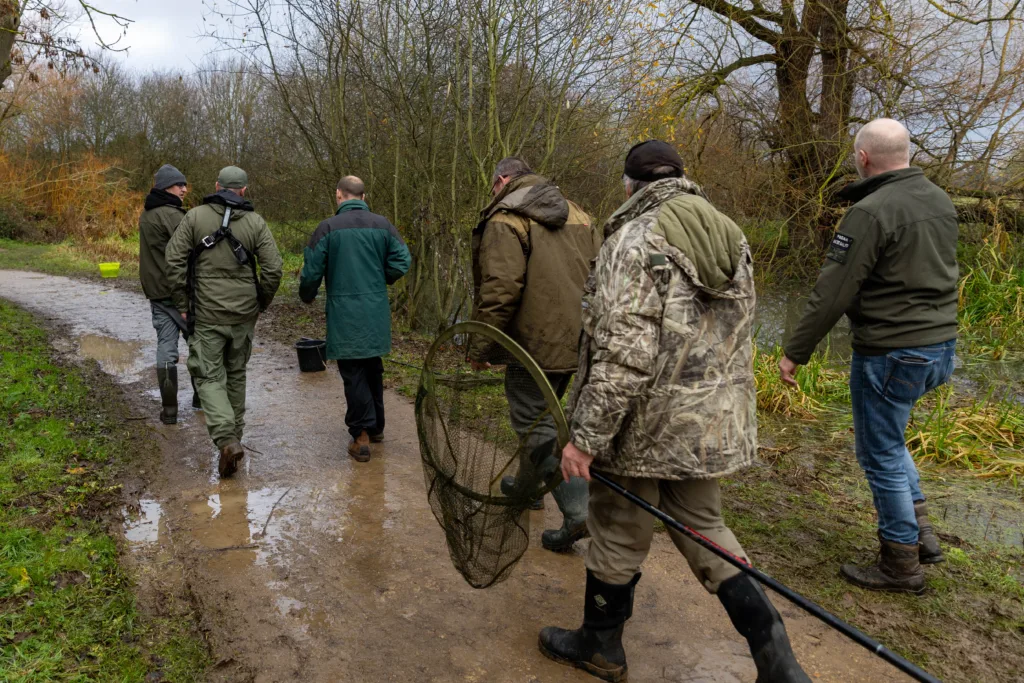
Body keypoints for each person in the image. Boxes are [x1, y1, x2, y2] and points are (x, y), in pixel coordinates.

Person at [541, 141, 810, 683]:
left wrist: (586, 437)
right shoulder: (729, 233)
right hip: (708, 423)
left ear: (628, 185)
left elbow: (624, 353)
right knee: (706, 526)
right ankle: (779, 662)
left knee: (618, 528)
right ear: (682, 178)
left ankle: (600, 647)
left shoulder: (633, 240)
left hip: (642, 424)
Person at [780, 119, 958, 594]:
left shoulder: (871, 211)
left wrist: (796, 351)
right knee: (892, 440)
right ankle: (923, 536)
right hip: (939, 347)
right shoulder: (939, 199)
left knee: (879, 453)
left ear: (862, 157)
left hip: (891, 350)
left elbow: (832, 291)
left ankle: (901, 564)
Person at [469, 157, 599, 552]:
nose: (493, 193)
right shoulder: (580, 213)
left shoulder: (507, 218)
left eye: (494, 185)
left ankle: (578, 513)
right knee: (543, 416)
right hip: (577, 339)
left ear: (503, 180)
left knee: (533, 422)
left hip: (533, 343)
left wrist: (481, 345)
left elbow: (500, 288)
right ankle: (527, 488)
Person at [165, 166, 283, 478]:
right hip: (244, 314)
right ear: (244, 190)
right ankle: (234, 441)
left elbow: (173, 261)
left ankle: (226, 440)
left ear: (217, 186)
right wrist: (261, 303)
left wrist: (182, 304)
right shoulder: (256, 222)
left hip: (207, 314)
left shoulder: (194, 217)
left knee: (207, 377)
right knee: (236, 375)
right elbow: (273, 269)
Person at [299, 176, 411, 463]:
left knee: (353, 371)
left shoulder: (327, 228)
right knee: (372, 365)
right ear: (363, 195)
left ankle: (361, 435)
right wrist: (380, 278)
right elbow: (402, 260)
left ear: (339, 195)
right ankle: (376, 428)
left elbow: (311, 272)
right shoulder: (383, 225)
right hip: (375, 310)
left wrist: (308, 294)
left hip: (345, 311)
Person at [138, 164, 200, 423]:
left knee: (166, 347)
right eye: (179, 185)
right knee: (198, 345)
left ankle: (170, 410)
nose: (184, 189)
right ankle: (202, 398)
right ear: (166, 188)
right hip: (180, 293)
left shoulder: (147, 214)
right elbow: (193, 252)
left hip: (157, 294)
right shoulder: (172, 215)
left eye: (184, 184)